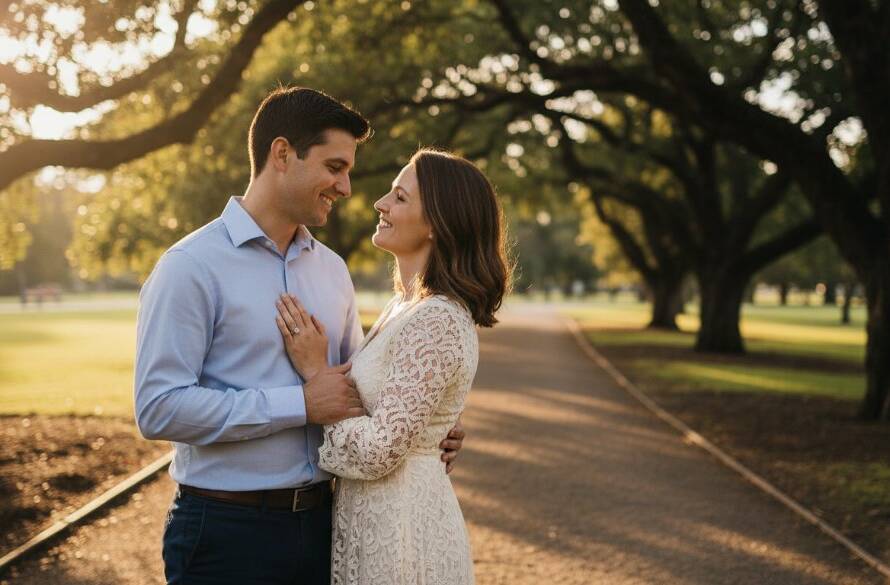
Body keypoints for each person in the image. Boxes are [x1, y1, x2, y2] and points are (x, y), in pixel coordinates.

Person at [134, 88, 466, 585]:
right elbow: (158, 407)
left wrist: (421, 423)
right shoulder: (190, 266)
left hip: (324, 527)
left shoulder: (333, 270)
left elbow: (355, 390)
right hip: (226, 532)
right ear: (283, 154)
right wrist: (298, 404)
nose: (346, 187)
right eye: (335, 167)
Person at [275, 148, 511, 584]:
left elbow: (378, 450)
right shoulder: (402, 307)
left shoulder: (437, 317)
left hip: (403, 535)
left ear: (438, 225)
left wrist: (316, 374)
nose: (380, 204)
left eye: (399, 198)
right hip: (377, 522)